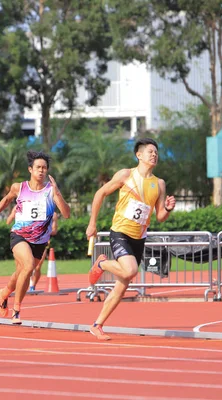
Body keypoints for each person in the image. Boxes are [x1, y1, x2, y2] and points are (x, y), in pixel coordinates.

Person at [85, 138, 176, 340]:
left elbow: (160, 216)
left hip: (139, 238)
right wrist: (92, 223)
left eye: (156, 152)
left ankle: (97, 325)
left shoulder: (159, 184)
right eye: (150, 152)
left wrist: (168, 208)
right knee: (131, 270)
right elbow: (100, 194)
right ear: (139, 155)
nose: (154, 155)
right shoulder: (126, 175)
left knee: (123, 284)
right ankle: (103, 263)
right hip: (120, 232)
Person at [0, 150, 70, 325]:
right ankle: (16, 310)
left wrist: (58, 192)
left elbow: (67, 214)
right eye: (38, 167)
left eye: (45, 168)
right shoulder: (20, 187)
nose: (42, 171)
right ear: (30, 169)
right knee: (29, 266)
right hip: (19, 236)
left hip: (40, 241)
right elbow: (6, 200)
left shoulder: (51, 191)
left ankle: (4, 292)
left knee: (21, 272)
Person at [7, 206, 59, 292]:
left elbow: (54, 230)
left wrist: (44, 231)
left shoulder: (52, 214)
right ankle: (17, 286)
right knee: (20, 267)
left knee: (37, 267)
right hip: (23, 240)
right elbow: (8, 222)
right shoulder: (18, 207)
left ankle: (32, 286)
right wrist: (14, 215)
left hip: (40, 241)